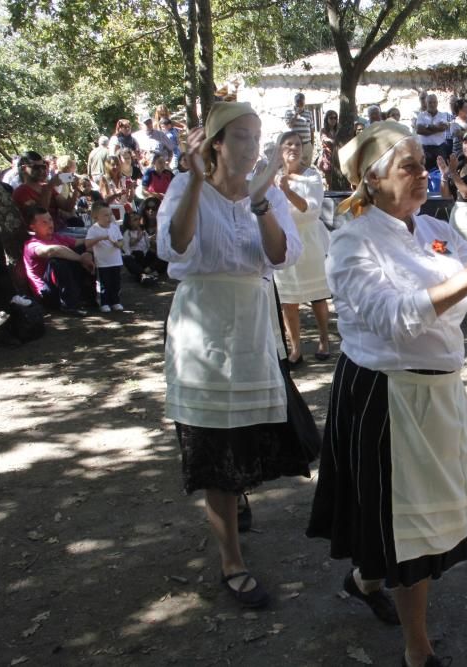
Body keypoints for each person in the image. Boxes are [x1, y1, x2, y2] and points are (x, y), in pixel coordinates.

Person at [306, 121, 467, 667]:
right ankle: (417, 650)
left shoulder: (434, 226)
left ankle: (364, 580)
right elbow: (392, 319)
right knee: (408, 527)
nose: (424, 173)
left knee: (419, 515)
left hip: (441, 391)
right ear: (372, 181)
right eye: (408, 165)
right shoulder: (352, 240)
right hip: (387, 394)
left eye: (425, 162)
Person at [157, 102, 303, 610]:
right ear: (216, 143)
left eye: (255, 136)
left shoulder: (268, 194)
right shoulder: (183, 187)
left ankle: (235, 496)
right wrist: (196, 182)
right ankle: (232, 562)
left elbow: (281, 256)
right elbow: (175, 245)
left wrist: (261, 203)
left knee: (243, 439)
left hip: (253, 325)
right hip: (203, 326)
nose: (251, 146)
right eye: (240, 136)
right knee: (215, 451)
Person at [272, 131, 331, 364]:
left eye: (297, 144)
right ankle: (295, 348)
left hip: (311, 242)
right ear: (280, 149)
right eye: (288, 144)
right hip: (284, 243)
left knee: (317, 296)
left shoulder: (312, 176)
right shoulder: (273, 177)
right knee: (288, 300)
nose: (294, 148)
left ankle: (324, 339)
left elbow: (312, 209)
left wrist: (287, 191)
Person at [22, 207, 96, 316]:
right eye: (44, 222)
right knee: (57, 260)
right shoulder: (31, 245)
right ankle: (69, 305)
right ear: (33, 227)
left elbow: (84, 242)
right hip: (48, 294)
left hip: (65, 285)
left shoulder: (56, 237)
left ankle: (88, 296)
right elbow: (53, 251)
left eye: (50, 220)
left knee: (83, 249)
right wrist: (81, 258)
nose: (50, 224)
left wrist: (88, 253)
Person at [13, 151, 78, 226]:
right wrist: (49, 187)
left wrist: (75, 189)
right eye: (36, 167)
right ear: (24, 168)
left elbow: (67, 207)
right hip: (44, 234)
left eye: (43, 167)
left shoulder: (45, 186)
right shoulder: (21, 192)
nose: (41, 170)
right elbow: (40, 217)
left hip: (60, 229)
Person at [84, 201, 124, 312]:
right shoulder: (94, 229)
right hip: (103, 263)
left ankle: (115, 301)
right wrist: (99, 238)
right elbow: (87, 244)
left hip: (116, 261)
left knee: (116, 283)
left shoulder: (114, 227)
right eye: (106, 215)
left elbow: (121, 241)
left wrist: (118, 244)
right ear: (96, 217)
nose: (109, 217)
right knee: (104, 283)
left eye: (110, 214)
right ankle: (104, 302)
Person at [415, 94, 452, 171]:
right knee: (425, 173)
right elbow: (419, 130)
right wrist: (436, 127)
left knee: (441, 173)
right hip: (425, 150)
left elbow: (443, 128)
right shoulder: (421, 115)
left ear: (437, 103)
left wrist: (426, 127)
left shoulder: (442, 115)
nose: (432, 104)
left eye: (434, 102)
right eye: (430, 102)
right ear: (426, 103)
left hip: (439, 149)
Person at [121, 211, 159, 285]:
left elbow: (148, 245)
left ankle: (142, 273)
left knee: (156, 254)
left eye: (139, 219)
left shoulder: (143, 232)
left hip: (144, 257)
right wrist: (137, 239)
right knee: (127, 258)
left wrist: (152, 241)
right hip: (135, 257)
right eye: (135, 220)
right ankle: (143, 274)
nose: (138, 222)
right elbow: (126, 248)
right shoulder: (128, 233)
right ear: (129, 222)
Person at [317, 110, 348, 191]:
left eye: (335, 118)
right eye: (331, 118)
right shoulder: (324, 130)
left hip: (339, 157)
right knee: (329, 181)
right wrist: (333, 141)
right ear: (327, 119)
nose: (333, 120)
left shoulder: (338, 129)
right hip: (328, 157)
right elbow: (324, 139)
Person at [284, 92, 315, 168]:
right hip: (295, 145)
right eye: (298, 101)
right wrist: (296, 114)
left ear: (304, 102)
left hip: (307, 145)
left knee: (307, 168)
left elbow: (312, 130)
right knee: (295, 166)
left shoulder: (309, 113)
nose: (300, 103)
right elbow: (289, 125)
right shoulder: (289, 112)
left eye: (302, 101)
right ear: (295, 102)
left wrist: (312, 144)